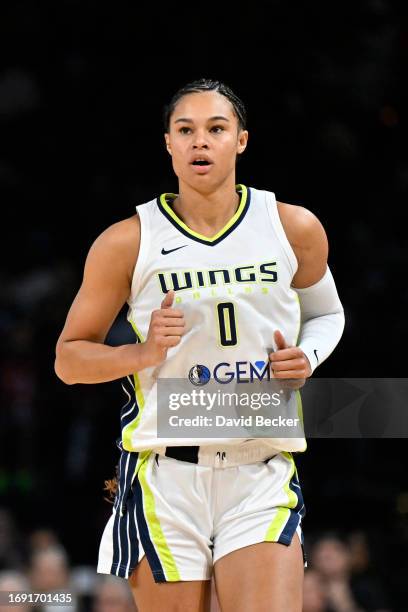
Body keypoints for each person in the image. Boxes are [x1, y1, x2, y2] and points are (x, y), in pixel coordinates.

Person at [55, 78, 345, 612]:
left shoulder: (292, 226)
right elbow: (69, 359)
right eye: (185, 130)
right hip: (166, 477)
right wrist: (140, 355)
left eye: (216, 128)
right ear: (167, 143)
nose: (199, 142)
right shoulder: (128, 240)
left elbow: (327, 313)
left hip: (260, 468)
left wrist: (308, 356)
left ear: (242, 140)